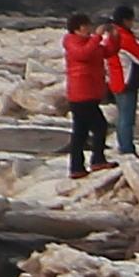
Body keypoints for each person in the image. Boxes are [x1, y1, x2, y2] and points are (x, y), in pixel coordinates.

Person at [59, 12, 107, 175]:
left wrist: (113, 38)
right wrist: (97, 38)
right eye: (86, 26)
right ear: (77, 29)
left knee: (81, 131)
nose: (89, 29)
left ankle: (77, 167)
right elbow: (83, 55)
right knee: (99, 126)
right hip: (82, 93)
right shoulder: (72, 42)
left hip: (89, 92)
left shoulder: (89, 43)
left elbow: (105, 52)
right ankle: (97, 160)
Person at [105, 5, 139, 153]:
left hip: (116, 79)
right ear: (125, 20)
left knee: (123, 116)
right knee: (127, 118)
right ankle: (126, 148)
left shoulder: (112, 34)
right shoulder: (124, 37)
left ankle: (124, 146)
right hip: (126, 81)